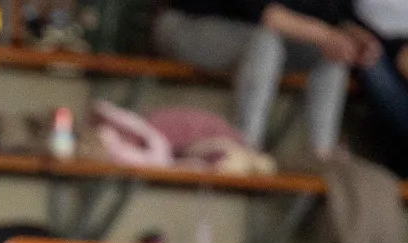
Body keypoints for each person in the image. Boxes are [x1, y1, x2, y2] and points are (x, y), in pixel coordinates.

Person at [153, 0, 367, 157]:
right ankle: (246, 146)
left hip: (258, 36)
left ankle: (321, 153)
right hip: (187, 25)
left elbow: (332, 13)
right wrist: (328, 36)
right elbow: (260, 11)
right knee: (264, 41)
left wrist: (355, 37)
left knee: (332, 56)